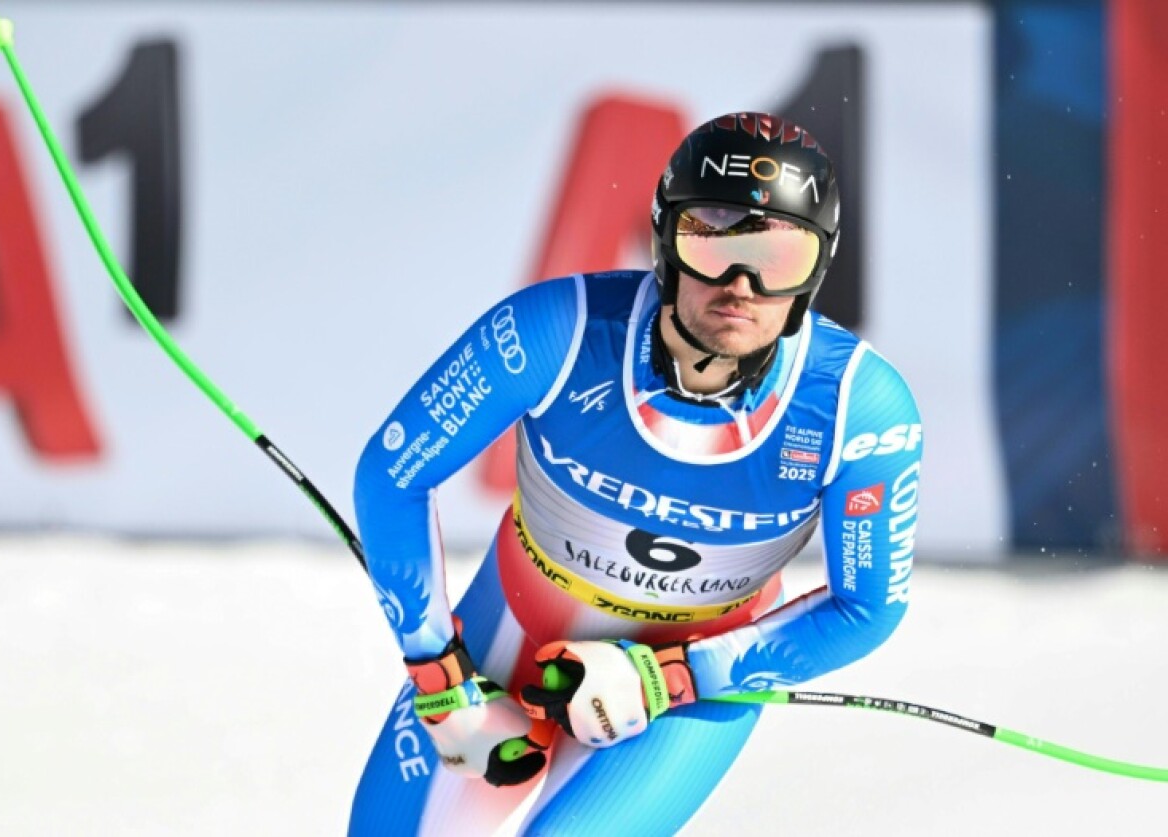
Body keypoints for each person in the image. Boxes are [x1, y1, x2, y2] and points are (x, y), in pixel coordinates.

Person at [348, 112, 921, 835]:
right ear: (663, 241)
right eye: (711, 243)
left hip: (689, 692)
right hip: (506, 635)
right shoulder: (558, 329)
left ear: (818, 271)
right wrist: (441, 677)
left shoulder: (858, 407)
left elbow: (867, 608)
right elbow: (392, 476)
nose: (741, 285)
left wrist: (672, 676)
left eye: (778, 257)